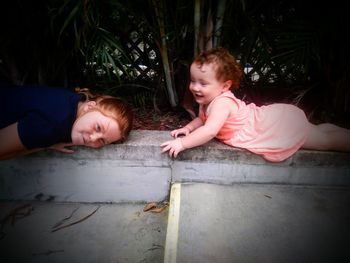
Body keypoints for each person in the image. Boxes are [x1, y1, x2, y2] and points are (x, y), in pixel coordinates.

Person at [161, 47, 350, 162]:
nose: (195, 87)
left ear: (225, 86)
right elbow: (203, 121)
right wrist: (188, 127)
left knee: (325, 142)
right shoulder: (208, 100)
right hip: (268, 121)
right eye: (193, 81)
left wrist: (183, 143)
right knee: (318, 131)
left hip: (273, 128)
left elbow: (209, 131)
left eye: (203, 83)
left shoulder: (222, 103)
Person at [0, 84, 133, 160]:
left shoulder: (72, 101)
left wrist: (47, 144)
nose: (92, 138)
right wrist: (44, 143)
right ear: (89, 107)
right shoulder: (50, 124)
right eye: (98, 127)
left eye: (102, 141)